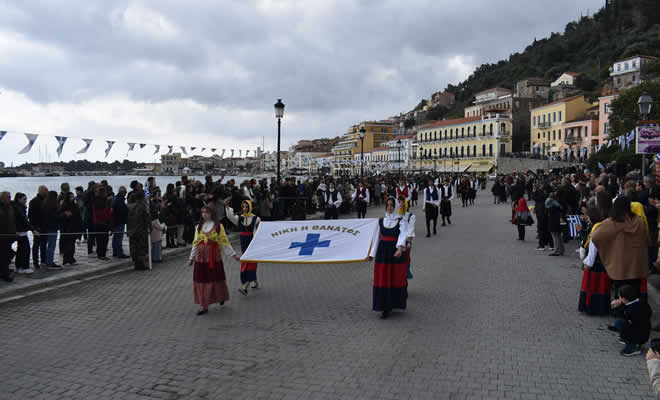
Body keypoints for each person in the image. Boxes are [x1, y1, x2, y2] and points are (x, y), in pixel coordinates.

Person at [592, 195, 650, 303]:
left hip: (619, 265)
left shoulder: (612, 223)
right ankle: (635, 313)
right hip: (636, 265)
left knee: (620, 292)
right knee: (635, 292)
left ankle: (620, 312)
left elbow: (595, 236)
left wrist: (609, 246)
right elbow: (646, 239)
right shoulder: (639, 221)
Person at [188, 206, 238, 315]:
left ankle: (220, 296)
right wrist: (191, 258)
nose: (204, 214)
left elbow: (225, 242)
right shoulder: (199, 227)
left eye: (207, 212)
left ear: (212, 213)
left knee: (216, 277)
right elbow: (195, 243)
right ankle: (203, 305)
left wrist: (234, 255)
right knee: (202, 279)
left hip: (213, 256)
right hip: (201, 258)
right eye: (202, 212)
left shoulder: (218, 227)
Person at [368, 197, 408, 319]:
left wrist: (400, 248)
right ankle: (384, 307)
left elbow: (403, 235)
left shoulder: (401, 221)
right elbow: (376, 239)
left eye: (391, 205)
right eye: (388, 205)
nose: (390, 208)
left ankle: (394, 303)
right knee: (383, 278)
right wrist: (371, 254)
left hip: (395, 253)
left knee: (394, 278)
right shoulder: (381, 221)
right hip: (383, 253)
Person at [578, 207, 611, 316]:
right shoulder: (605, 227)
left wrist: (588, 263)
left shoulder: (596, 229)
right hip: (604, 262)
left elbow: (593, 249)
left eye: (588, 217)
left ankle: (592, 308)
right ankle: (603, 308)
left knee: (593, 287)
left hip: (595, 263)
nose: (587, 219)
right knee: (603, 287)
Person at [226, 200, 261, 295]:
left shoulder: (256, 219)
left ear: (250, 207)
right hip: (243, 242)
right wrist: (228, 208)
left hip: (252, 243)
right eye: (243, 207)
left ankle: (245, 286)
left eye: (246, 207)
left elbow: (257, 232)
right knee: (247, 261)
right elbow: (231, 217)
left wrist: (256, 244)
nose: (244, 209)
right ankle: (255, 282)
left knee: (251, 262)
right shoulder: (240, 218)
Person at [611, 284, 652, 356]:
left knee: (619, 322)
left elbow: (619, 316)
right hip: (645, 333)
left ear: (624, 299)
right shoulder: (642, 302)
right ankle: (632, 342)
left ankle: (633, 346)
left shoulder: (630, 310)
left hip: (637, 335)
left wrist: (616, 307)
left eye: (620, 297)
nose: (619, 298)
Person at [13, 193, 37, 274]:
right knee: (25, 249)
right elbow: (24, 220)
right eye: (24, 199)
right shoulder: (18, 208)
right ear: (18, 199)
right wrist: (33, 229)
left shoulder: (18, 207)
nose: (25, 201)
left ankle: (19, 267)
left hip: (21, 231)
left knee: (21, 249)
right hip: (21, 231)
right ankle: (24, 266)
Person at [127, 190, 150, 270]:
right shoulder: (142, 206)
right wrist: (150, 227)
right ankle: (140, 265)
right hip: (141, 230)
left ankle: (136, 264)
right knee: (141, 248)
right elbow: (147, 218)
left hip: (131, 230)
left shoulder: (129, 206)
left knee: (133, 247)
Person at [59, 192, 82, 266]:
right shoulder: (64, 206)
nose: (72, 198)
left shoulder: (75, 205)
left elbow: (78, 216)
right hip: (67, 228)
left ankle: (71, 258)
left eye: (72, 196)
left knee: (72, 244)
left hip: (74, 227)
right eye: (70, 197)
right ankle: (66, 260)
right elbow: (60, 216)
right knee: (67, 244)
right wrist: (65, 215)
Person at [28, 185, 48, 268]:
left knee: (43, 244)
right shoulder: (34, 201)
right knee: (36, 244)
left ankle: (43, 260)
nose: (47, 192)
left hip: (45, 226)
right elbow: (30, 215)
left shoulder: (45, 201)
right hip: (38, 227)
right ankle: (36, 261)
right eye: (46, 191)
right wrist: (34, 227)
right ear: (41, 191)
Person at [42, 191, 62, 269]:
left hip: (47, 227)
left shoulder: (45, 205)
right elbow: (55, 217)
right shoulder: (52, 207)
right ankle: (50, 262)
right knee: (51, 245)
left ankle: (48, 261)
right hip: (52, 227)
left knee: (49, 245)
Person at [92, 187, 113, 260]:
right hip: (100, 223)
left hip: (103, 223)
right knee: (101, 240)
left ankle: (102, 254)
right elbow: (101, 214)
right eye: (105, 193)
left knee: (104, 239)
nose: (106, 194)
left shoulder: (104, 201)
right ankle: (101, 254)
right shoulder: (98, 202)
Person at [397, 196, 415, 280]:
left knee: (405, 262)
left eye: (402, 201)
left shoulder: (411, 216)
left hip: (405, 243)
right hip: (396, 241)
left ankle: (404, 281)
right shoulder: (396, 215)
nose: (401, 203)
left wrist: (409, 242)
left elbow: (410, 230)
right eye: (399, 201)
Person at [0, 192, 16, 282]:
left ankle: (4, 271)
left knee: (7, 254)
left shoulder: (10, 208)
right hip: (2, 236)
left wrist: (14, 232)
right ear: (2, 198)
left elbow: (12, 222)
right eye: (8, 197)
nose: (10, 199)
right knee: (3, 255)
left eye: (10, 197)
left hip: (8, 236)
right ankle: (5, 273)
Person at [111, 186, 130, 259]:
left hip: (116, 221)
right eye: (125, 192)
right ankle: (119, 252)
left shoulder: (115, 199)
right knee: (119, 237)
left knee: (116, 237)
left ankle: (115, 251)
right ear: (122, 192)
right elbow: (121, 211)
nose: (125, 194)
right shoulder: (119, 200)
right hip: (119, 221)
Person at [545, 192, 563, 256]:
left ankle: (556, 251)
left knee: (555, 236)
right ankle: (561, 250)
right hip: (558, 221)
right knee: (559, 236)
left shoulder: (551, 205)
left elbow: (546, 205)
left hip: (553, 222)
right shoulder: (558, 204)